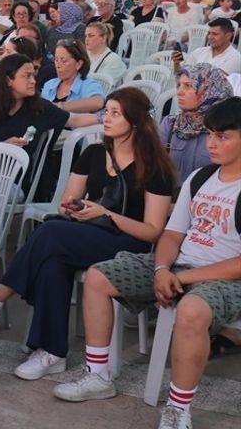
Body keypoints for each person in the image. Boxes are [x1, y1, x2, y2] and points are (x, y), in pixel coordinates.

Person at [0, 88, 176, 381]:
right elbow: (67, 200)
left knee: (51, 232)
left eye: (115, 113)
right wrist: (75, 208)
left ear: (135, 122)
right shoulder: (94, 153)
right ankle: (52, 353)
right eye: (106, 111)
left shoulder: (154, 168)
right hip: (89, 233)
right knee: (52, 259)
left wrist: (106, 214)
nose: (106, 118)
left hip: (129, 243)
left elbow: (152, 231)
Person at [53, 97, 241, 429]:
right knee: (98, 277)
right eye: (210, 134)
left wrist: (183, 278)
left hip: (224, 278)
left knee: (192, 310)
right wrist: (162, 269)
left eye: (223, 136)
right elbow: (171, 234)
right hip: (178, 267)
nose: (212, 143)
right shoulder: (201, 178)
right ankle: (98, 374)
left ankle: (178, 407)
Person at [0, 54, 98, 200]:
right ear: (8, 80)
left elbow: (75, 120)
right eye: (27, 76)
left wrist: (107, 118)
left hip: (13, 180)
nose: (33, 81)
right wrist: (2, 147)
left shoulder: (39, 108)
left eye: (34, 75)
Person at [161, 64, 234, 181]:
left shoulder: (229, 129)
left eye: (188, 86)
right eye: (179, 85)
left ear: (209, 89)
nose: (179, 92)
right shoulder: (170, 124)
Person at [41, 41, 105, 113]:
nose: (58, 65)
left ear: (79, 64)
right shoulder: (49, 85)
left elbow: (98, 102)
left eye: (63, 61)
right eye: (56, 60)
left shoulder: (87, 84)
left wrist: (60, 106)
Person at [83, 23, 125, 88]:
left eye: (91, 36)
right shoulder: (84, 54)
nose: (86, 39)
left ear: (103, 38)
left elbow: (101, 87)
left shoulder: (113, 60)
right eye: (86, 36)